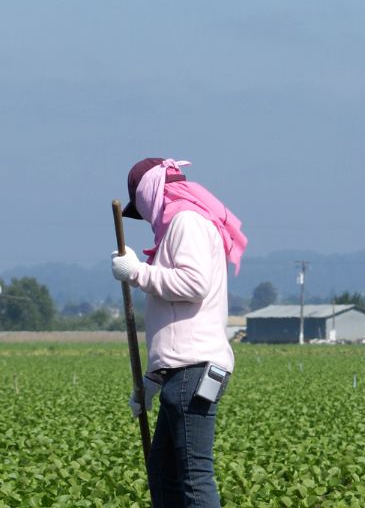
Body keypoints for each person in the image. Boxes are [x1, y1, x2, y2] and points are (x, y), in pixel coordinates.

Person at [110, 158, 248, 508]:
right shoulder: (182, 223)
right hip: (183, 371)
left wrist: (138, 273)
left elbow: (193, 284)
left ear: (149, 195)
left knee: (193, 474)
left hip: (193, 371)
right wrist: (152, 382)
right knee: (164, 472)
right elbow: (176, 325)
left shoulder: (186, 221)